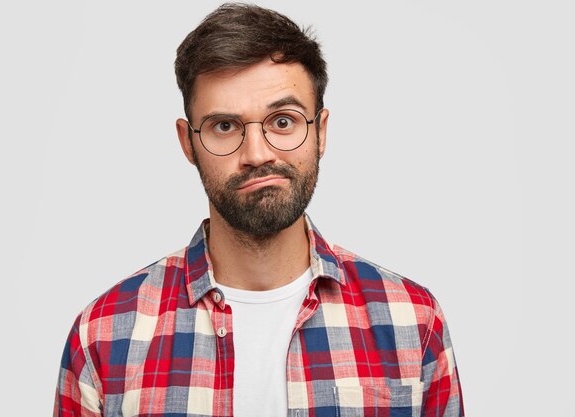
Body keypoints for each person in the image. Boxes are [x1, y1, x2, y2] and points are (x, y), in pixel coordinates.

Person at [54, 3, 464, 416]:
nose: (256, 153)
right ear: (187, 143)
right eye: (225, 126)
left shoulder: (412, 323)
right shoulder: (104, 336)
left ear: (320, 132)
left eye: (283, 121)